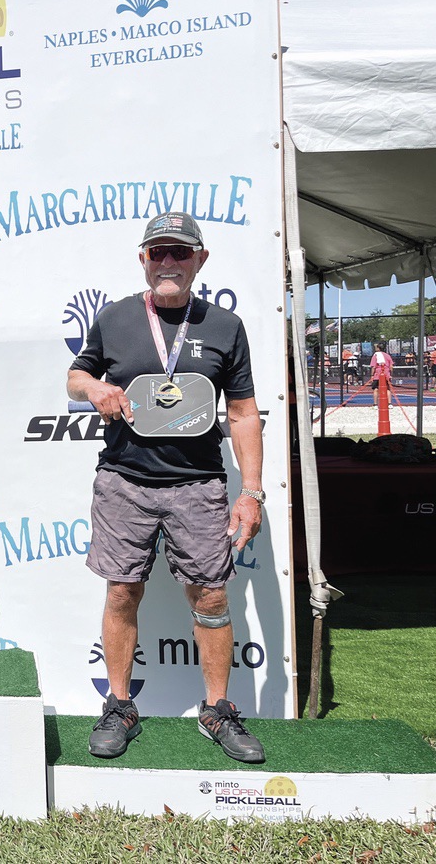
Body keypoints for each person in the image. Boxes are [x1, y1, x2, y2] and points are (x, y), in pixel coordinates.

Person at [67, 211, 266, 763]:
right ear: (143, 259)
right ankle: (119, 704)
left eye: (181, 252)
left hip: (199, 485)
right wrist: (95, 388)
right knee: (122, 591)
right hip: (124, 481)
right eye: (159, 252)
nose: (169, 262)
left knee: (211, 594)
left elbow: (245, 415)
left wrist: (251, 492)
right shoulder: (116, 318)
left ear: (201, 259)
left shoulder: (226, 326)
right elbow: (75, 375)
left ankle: (218, 709)